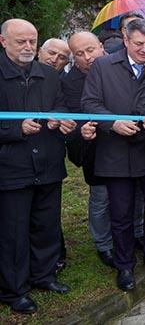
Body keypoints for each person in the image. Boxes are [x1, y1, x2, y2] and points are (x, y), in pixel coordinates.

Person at [81, 18, 145, 290]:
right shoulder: (103, 66)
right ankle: (124, 266)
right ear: (126, 40)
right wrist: (113, 123)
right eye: (139, 44)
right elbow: (89, 103)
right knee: (121, 213)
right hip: (115, 153)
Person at [0, 19, 75, 314]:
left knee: (46, 224)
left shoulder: (48, 74)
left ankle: (44, 275)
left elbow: (61, 106)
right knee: (13, 231)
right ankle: (13, 289)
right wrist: (15, 129)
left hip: (47, 163)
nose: (28, 47)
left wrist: (61, 119)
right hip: (11, 167)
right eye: (21, 41)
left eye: (32, 41)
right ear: (4, 41)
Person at [63, 32, 112, 267]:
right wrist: (81, 131)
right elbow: (70, 116)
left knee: (133, 195)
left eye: (90, 50)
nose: (87, 57)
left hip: (125, 144)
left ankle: (136, 233)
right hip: (93, 148)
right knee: (100, 198)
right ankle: (104, 244)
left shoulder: (119, 65)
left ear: (101, 46)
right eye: (79, 54)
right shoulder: (69, 82)